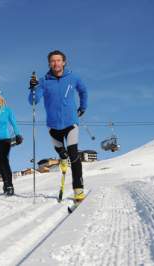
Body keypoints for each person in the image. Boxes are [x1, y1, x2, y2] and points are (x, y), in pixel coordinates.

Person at [28, 50, 88, 201]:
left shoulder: (73, 78)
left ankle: (78, 190)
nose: (56, 63)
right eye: (53, 61)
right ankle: (62, 157)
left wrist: (83, 107)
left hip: (71, 123)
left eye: (59, 60)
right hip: (53, 126)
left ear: (64, 62)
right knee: (62, 152)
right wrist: (33, 89)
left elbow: (83, 91)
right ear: (49, 63)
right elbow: (33, 101)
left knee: (74, 156)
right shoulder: (44, 81)